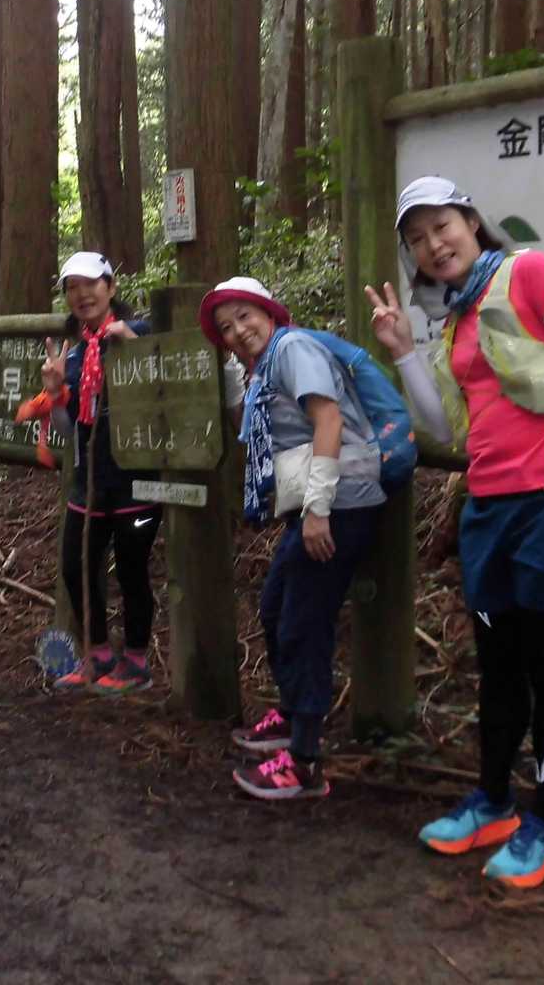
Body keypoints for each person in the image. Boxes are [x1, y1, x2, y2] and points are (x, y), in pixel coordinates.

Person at [365, 175, 544, 889]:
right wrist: (402, 349)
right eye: (417, 238)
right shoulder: (460, 315)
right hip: (489, 510)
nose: (433, 244)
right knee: (499, 667)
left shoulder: (531, 272)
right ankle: (494, 804)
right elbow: (445, 426)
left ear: (472, 221)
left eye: (441, 226)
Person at [199, 277, 388, 801]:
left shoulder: (294, 347)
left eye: (244, 316)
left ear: (269, 312)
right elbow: (257, 429)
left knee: (304, 623)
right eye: (226, 327)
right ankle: (290, 716)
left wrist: (318, 508)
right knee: (276, 607)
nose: (238, 331)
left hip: (339, 502)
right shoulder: (264, 369)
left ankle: (304, 761)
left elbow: (327, 419)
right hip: (312, 504)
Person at [37, 252, 163, 695]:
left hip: (138, 482)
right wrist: (56, 392)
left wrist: (135, 348)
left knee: (132, 569)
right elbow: (70, 428)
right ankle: (98, 654)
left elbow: (169, 393)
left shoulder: (141, 332)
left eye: (90, 284)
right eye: (72, 287)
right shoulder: (73, 356)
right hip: (89, 482)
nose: (82, 294)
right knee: (76, 566)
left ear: (110, 287)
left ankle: (136, 661)